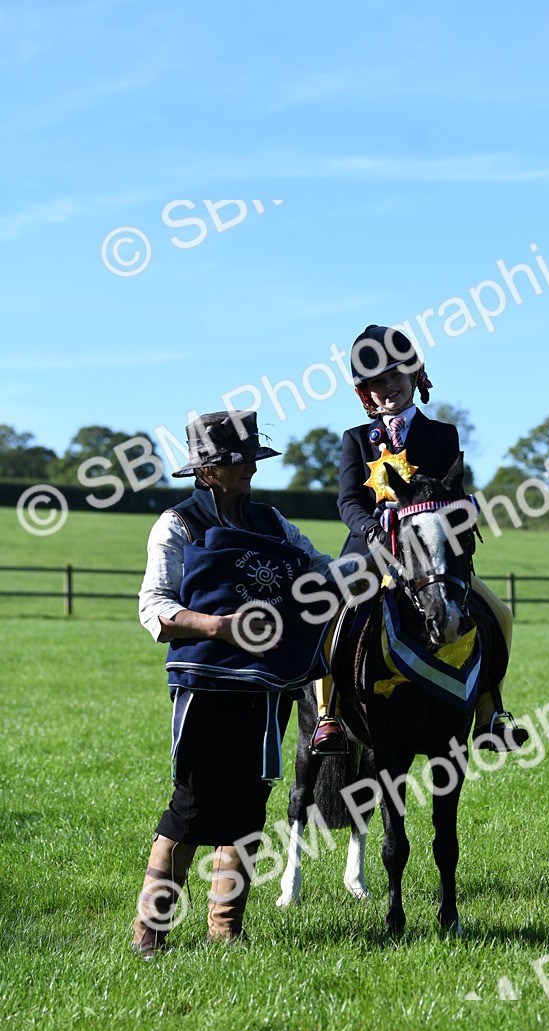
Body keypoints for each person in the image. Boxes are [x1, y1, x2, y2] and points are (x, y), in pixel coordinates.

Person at [133, 409, 334, 956]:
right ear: (207, 472)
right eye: (232, 459)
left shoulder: (274, 524)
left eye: (247, 457)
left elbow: (322, 569)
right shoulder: (177, 525)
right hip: (206, 681)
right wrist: (221, 627)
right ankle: (151, 933)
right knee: (192, 805)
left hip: (268, 688)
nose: (245, 466)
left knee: (249, 805)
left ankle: (226, 930)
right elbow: (155, 608)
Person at [311, 323, 528, 754]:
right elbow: (348, 501)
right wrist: (372, 529)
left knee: (499, 614)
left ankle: (490, 713)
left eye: (395, 376)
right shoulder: (355, 439)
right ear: (365, 393)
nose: (387, 388)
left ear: (415, 377)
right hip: (370, 546)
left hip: (427, 549)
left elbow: (448, 488)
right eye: (376, 383)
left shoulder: (442, 434)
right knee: (329, 611)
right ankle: (327, 715)